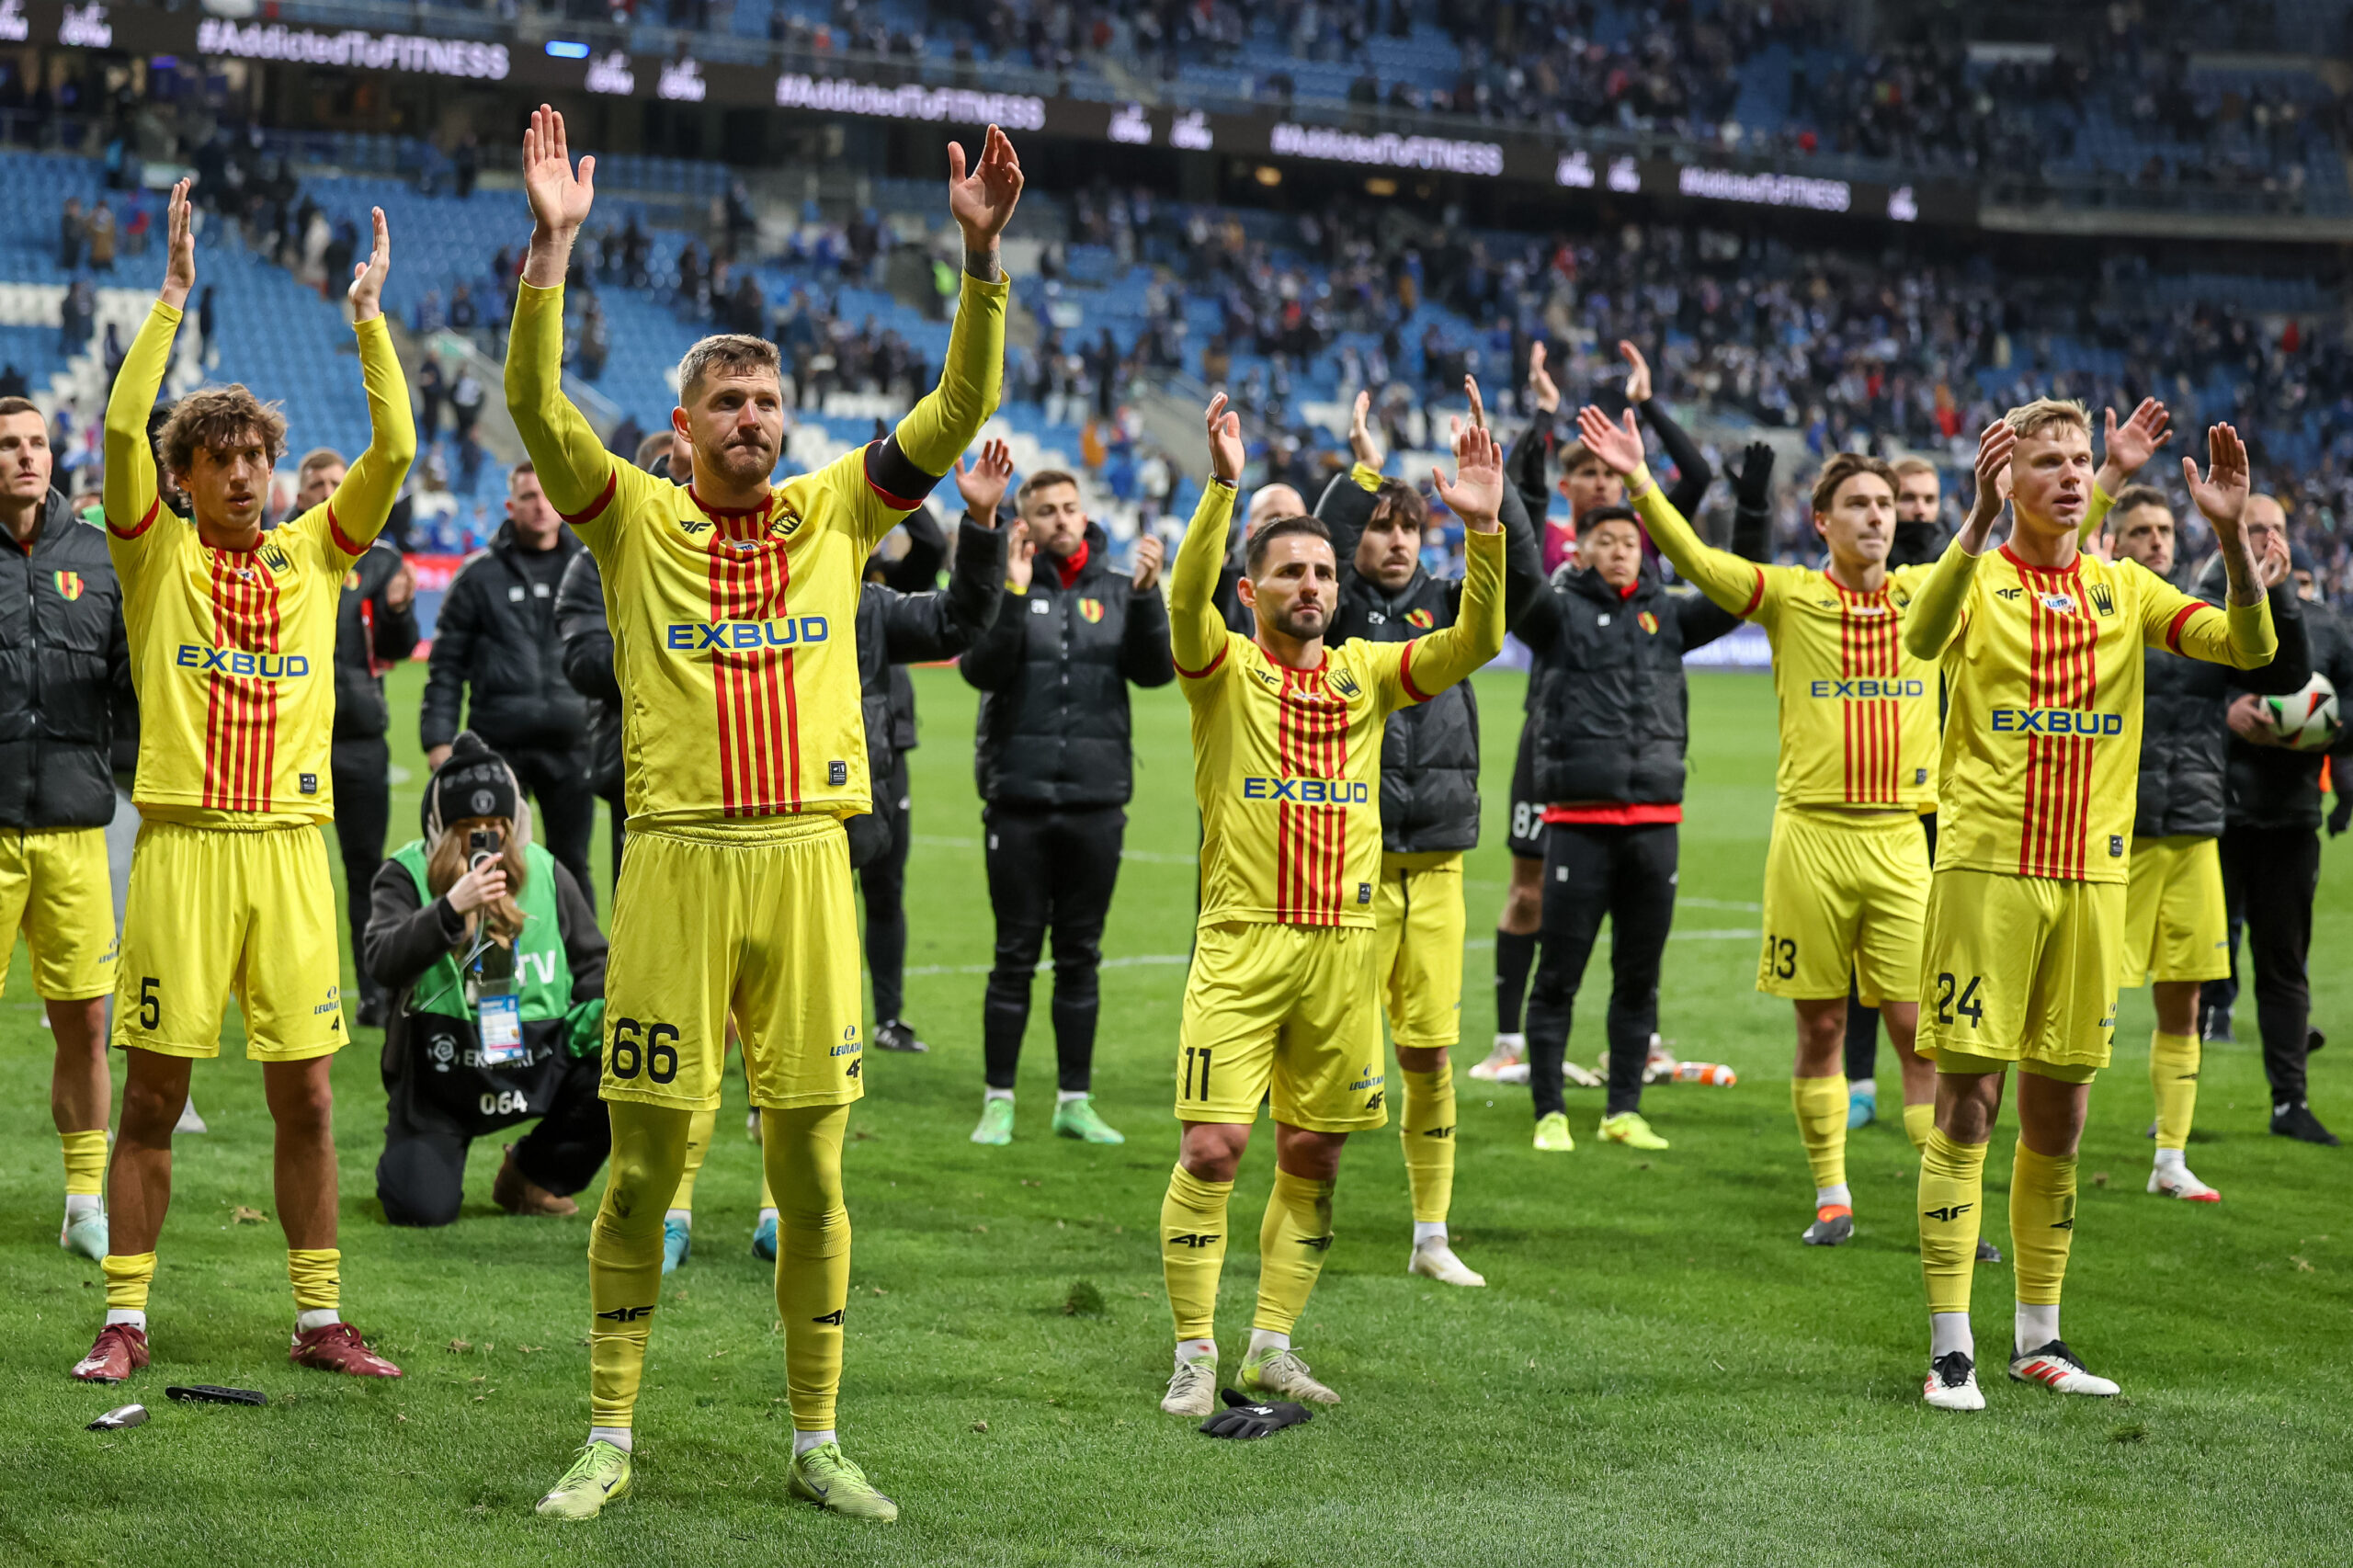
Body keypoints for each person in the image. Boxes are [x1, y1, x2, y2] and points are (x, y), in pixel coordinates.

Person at [507, 106, 1019, 1522]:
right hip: (675, 866)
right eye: (727, 404)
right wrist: (551, 251)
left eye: (768, 402)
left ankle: (816, 1436)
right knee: (644, 1163)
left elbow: (959, 413)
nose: (753, 420)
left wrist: (980, 264)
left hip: (805, 865)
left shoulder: (837, 513)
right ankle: (609, 1433)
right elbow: (541, 414)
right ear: (682, 430)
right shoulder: (629, 521)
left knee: (807, 1164)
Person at [74, 182, 414, 1385]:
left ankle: (320, 1318)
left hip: (290, 853)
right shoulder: (152, 548)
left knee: (310, 1098)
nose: (243, 474)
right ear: (187, 472)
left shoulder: (315, 551)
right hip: (186, 847)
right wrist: (168, 303)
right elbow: (120, 438)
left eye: (258, 456)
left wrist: (367, 317)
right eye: (220, 458)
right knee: (156, 1092)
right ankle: (126, 1315)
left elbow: (399, 449)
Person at [1902, 404, 2275, 1412]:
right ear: (2007, 474)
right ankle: (1948, 1350)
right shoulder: (1973, 576)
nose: (2070, 477)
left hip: (2091, 875)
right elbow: (1920, 636)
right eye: (2046, 461)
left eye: (2079, 462)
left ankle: (2038, 1336)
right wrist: (1972, 518)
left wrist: (2232, 535)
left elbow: (2247, 644)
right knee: (1967, 1101)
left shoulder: (2123, 587)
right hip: (1988, 869)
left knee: (2059, 1113)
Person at [1155, 394, 1506, 1418]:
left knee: (1313, 1151)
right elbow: (1183, 602)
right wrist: (1222, 485)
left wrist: (1483, 530)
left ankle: (1270, 1343)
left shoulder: (1367, 675)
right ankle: (1190, 1348)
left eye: (1320, 571)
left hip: (1345, 948)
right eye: (1289, 572)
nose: (1309, 585)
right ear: (1251, 587)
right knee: (1212, 1147)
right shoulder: (1221, 668)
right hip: (1241, 939)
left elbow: (1475, 639)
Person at [1582, 416, 1957, 1235]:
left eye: (1886, 505)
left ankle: (1946, 1206)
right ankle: (1832, 1195)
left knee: (1919, 1037)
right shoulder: (1792, 596)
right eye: (1857, 504)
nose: (1876, 518)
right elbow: (1700, 564)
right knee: (1820, 1023)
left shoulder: (1925, 594)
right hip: (1812, 839)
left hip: (1900, 837)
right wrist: (1641, 484)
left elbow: (2007, 560)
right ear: (1822, 521)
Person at [1309, 379, 1543, 1287]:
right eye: (1379, 525)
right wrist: (1363, 471)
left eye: (1407, 525)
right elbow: (1314, 542)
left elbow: (1518, 586)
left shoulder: (1450, 601)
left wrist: (1498, 506)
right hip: (1353, 868)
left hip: (1437, 865)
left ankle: (1431, 1232)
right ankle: (1309, 1219)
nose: (1395, 539)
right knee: (1335, 1055)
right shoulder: (1328, 612)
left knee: (1429, 1053)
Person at [1506, 416, 1763, 1153]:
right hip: (1579, 823)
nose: (1618, 552)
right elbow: (1517, 571)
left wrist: (1752, 513)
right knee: (1557, 976)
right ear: (1579, 548)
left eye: (1628, 542)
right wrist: (1517, 488)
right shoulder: (1554, 617)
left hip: (1654, 823)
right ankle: (1550, 1110)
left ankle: (1623, 1111)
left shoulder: (1672, 619)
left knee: (1637, 981)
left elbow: (1747, 591)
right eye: (1603, 542)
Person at [1476, 340, 1715, 1084]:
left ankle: (1635, 1044)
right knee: (1527, 889)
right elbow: (1512, 493)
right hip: (1549, 733)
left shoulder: (1637, 543)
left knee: (1635, 894)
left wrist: (1646, 405)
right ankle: (1510, 1043)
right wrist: (1544, 414)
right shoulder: (1549, 542)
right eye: (1582, 472)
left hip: (1628, 746)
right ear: (1568, 482)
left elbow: (1699, 478)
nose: (1594, 482)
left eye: (1605, 470)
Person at [957, 465, 1170, 1146]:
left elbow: (1155, 671)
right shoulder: (1004, 584)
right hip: (1017, 799)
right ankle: (1000, 1100)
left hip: (1096, 800)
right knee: (1013, 954)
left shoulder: (1118, 587)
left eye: (1069, 508)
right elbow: (980, 670)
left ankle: (1074, 1100)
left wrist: (1147, 598)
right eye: (1045, 510)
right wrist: (1014, 592)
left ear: (1085, 516)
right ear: (1026, 522)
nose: (1059, 519)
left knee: (1081, 955)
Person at [2106, 485, 2310, 1188]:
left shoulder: (2198, 619)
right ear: (2117, 542)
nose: (2158, 540)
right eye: (2141, 532)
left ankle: (2170, 1158)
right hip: (2115, 837)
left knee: (2185, 998)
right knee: (2084, 1001)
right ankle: (2052, 1143)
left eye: (2164, 529)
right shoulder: (2106, 614)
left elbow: (2283, 673)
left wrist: (2273, 597)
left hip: (2193, 828)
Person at [366, 733, 610, 1225]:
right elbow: (381, 960)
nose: (483, 841)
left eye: (495, 826)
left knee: (627, 1066)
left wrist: (602, 1034)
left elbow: (596, 970)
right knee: (417, 1208)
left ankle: (533, 1174)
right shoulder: (405, 873)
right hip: (441, 1075)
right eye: (466, 828)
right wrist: (451, 909)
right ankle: (428, 1161)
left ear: (514, 826)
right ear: (438, 828)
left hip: (534, 1061)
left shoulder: (545, 871)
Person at [0, 393, 130, 1264]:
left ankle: (87, 1201)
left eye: (37, 442)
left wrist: (120, 776)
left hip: (78, 830)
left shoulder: (99, 556)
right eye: (8, 445)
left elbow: (133, 686)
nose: (24, 457)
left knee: (85, 1021)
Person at [2206, 499, 2347, 1146]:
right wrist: (2230, 713)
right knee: (2199, 966)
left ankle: (2290, 1103)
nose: (2268, 537)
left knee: (2283, 963)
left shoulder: (2328, 627)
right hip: (2215, 814)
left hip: (2290, 817)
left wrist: (2316, 736)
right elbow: (2180, 701)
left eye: (2277, 529)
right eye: (2253, 526)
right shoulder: (2206, 615)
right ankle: (2176, 1114)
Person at [421, 461, 597, 902]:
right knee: (492, 864)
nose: (539, 506)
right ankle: (495, 968)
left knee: (572, 865)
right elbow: (446, 664)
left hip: (572, 743)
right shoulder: (477, 576)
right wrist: (437, 738)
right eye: (527, 497)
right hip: (499, 748)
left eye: (546, 496)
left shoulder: (590, 569)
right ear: (509, 505)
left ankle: (583, 969)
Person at [1843, 453, 1950, 1125]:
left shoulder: (1958, 571)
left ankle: (1942, 1075)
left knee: (1937, 948)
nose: (1914, 509)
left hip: (1952, 790)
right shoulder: (1869, 579)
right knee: (1865, 955)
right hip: (1882, 793)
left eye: (1925, 498)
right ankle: (1859, 1082)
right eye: (1903, 496)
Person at [306, 447, 421, 1028]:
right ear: (299, 494)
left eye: (336, 480)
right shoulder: (287, 553)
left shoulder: (380, 562)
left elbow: (400, 649)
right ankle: (281, 991)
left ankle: (374, 994)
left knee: (363, 869)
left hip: (358, 738)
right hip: (294, 738)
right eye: (317, 482)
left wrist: (400, 612)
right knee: (287, 871)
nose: (328, 489)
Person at [857, 500, 951, 1056]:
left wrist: (901, 489)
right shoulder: (796, 578)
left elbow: (934, 551)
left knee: (887, 888)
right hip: (821, 754)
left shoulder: (884, 584)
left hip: (889, 749)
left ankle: (889, 1018)